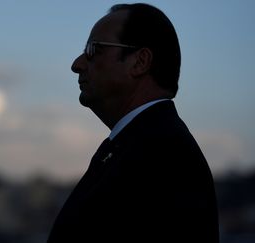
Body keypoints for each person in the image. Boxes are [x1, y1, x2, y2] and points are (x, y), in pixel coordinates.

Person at [47, 3, 219, 243]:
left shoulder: (163, 157)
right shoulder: (143, 145)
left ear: (139, 62)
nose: (77, 64)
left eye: (93, 49)